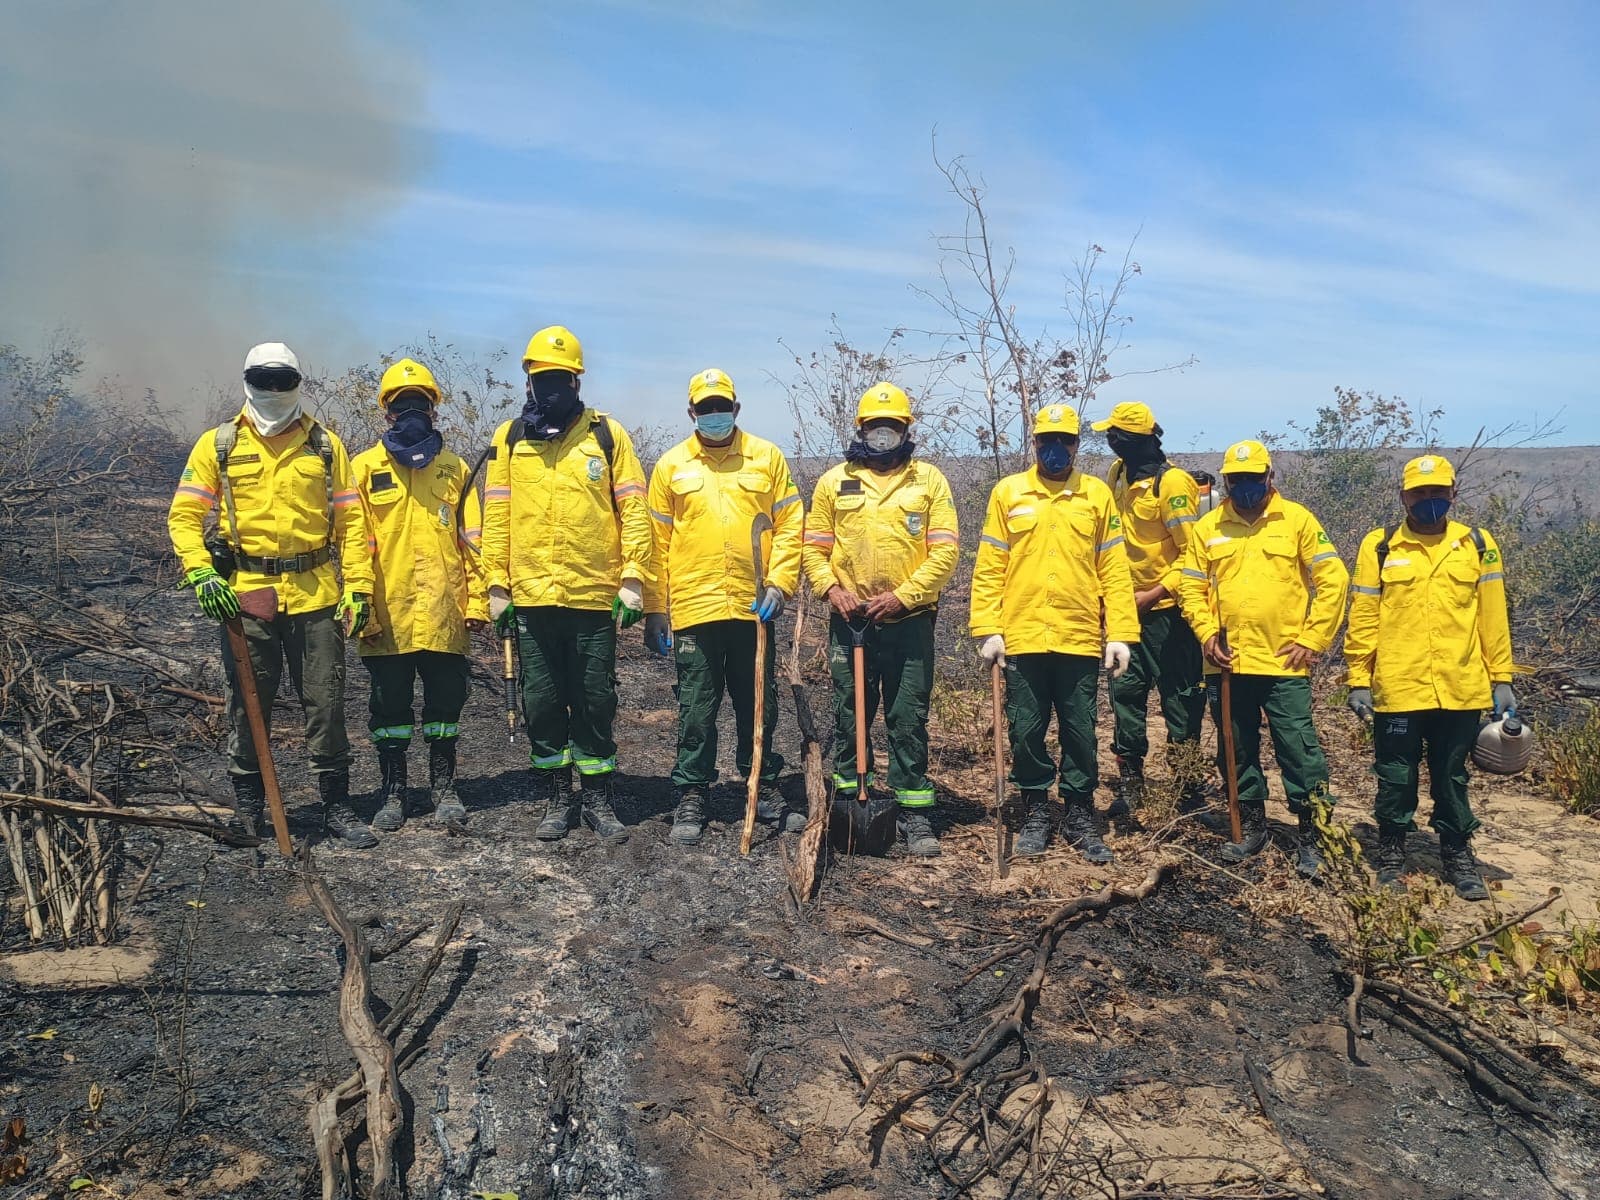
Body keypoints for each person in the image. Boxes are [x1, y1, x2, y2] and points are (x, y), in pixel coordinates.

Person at [168, 342, 377, 847]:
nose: (274, 390)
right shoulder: (218, 445)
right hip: (248, 596)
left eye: (282, 379)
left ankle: (336, 805)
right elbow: (184, 517)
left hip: (317, 595)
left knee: (325, 702)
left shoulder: (325, 445)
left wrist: (360, 587)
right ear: (248, 381)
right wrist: (202, 574)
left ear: (297, 382)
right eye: (265, 379)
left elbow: (351, 522)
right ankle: (249, 808)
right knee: (248, 702)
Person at [480, 326, 652, 843]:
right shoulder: (509, 438)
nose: (551, 388)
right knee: (542, 702)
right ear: (529, 381)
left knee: (595, 699)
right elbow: (497, 514)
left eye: (561, 378)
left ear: (577, 380)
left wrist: (633, 578)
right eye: (543, 378)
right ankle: (558, 795)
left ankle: (598, 799)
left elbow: (634, 510)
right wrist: (496, 583)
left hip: (594, 596)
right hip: (532, 599)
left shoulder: (607, 435)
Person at [970, 404, 1137, 863]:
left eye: (1065, 440)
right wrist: (988, 628)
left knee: (1081, 730)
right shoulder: (1009, 492)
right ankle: (1037, 810)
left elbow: (1114, 570)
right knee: (1027, 729)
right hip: (1022, 636)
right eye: (1047, 440)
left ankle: (1080, 812)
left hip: (1078, 636)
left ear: (1077, 445)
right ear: (1035, 443)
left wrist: (1120, 631)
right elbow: (990, 566)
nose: (1056, 448)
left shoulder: (1096, 495)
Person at [644, 368, 803, 845]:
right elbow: (656, 543)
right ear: (692, 413)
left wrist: (780, 584)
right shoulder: (671, 466)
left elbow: (791, 522)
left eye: (722, 406)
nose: (715, 415)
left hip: (755, 609)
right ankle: (692, 792)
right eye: (705, 408)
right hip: (695, 608)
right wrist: (656, 609)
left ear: (736, 409)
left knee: (759, 704)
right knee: (696, 706)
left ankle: (763, 783)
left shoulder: (766, 457)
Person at [1344, 454, 1513, 900]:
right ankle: (1393, 855)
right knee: (1396, 775)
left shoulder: (1477, 544)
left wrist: (1502, 677)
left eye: (1438, 492)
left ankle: (1457, 855)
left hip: (1460, 686)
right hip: (1399, 686)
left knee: (1451, 776)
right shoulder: (1379, 546)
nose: (1430, 500)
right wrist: (1358, 677)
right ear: (1404, 496)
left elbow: (1493, 616)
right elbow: (1363, 615)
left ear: (1453, 494)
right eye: (1420, 492)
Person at [1175, 439, 1349, 872]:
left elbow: (1334, 579)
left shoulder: (1297, 520)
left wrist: (1312, 639)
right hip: (1227, 661)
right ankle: (1251, 825)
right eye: (1237, 481)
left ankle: (1313, 834)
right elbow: (1190, 588)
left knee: (1298, 748)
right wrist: (1205, 631)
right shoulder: (1208, 526)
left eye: (1255, 479)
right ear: (1227, 482)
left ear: (1270, 478)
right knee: (1235, 748)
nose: (1246, 488)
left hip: (1283, 662)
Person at [801, 383, 959, 856]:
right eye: (875, 427)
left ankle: (914, 814)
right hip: (852, 621)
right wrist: (832, 589)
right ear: (861, 429)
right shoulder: (834, 481)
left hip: (908, 621)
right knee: (851, 712)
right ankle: (847, 804)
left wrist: (905, 596)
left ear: (907, 430)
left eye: (892, 427)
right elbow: (813, 548)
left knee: (907, 717)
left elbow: (946, 550)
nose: (883, 436)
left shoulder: (928, 480)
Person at [350, 358, 488, 832]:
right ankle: (393, 792)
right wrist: (359, 600)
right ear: (386, 412)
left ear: (434, 409)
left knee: (445, 706)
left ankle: (444, 788)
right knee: (389, 708)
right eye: (401, 403)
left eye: (421, 403)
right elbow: (354, 540)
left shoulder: (455, 467)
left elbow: (473, 541)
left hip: (444, 610)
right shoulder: (363, 468)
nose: (412, 410)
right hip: (387, 613)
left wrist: (476, 602)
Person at [1092, 401, 1207, 817]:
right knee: (1125, 695)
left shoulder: (1172, 484)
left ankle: (1188, 788)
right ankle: (1131, 780)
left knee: (1180, 700)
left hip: (1168, 614)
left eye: (1118, 435)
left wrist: (1155, 593)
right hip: (1126, 611)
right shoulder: (1117, 475)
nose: (1111, 442)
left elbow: (1193, 554)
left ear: (1139, 439)